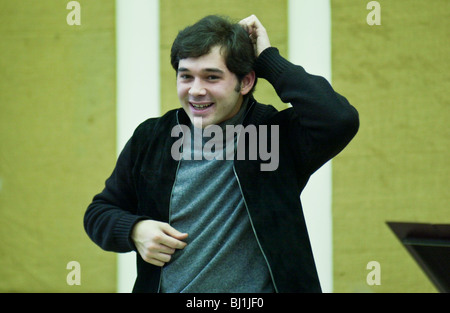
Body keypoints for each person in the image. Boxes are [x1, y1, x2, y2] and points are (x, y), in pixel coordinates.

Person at [84, 14, 359, 293]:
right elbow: (98, 212)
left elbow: (338, 119)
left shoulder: (274, 135)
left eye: (212, 77)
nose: (196, 90)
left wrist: (267, 59)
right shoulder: (152, 137)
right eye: (186, 76)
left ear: (246, 81)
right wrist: (134, 230)